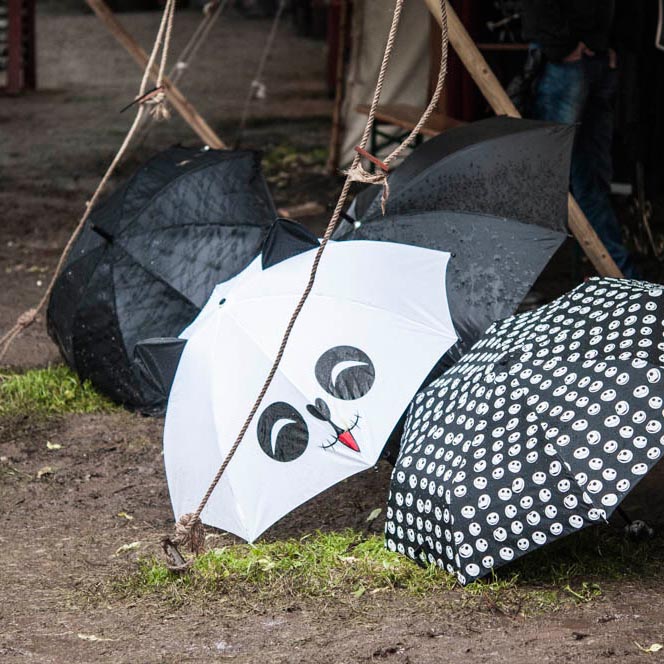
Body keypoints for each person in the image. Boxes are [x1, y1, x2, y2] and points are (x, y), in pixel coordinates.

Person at [521, 0, 639, 278]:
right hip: (579, 53)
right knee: (574, 176)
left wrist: (578, 45)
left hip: (577, 56)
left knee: (552, 176)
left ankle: (615, 276)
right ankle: (617, 276)